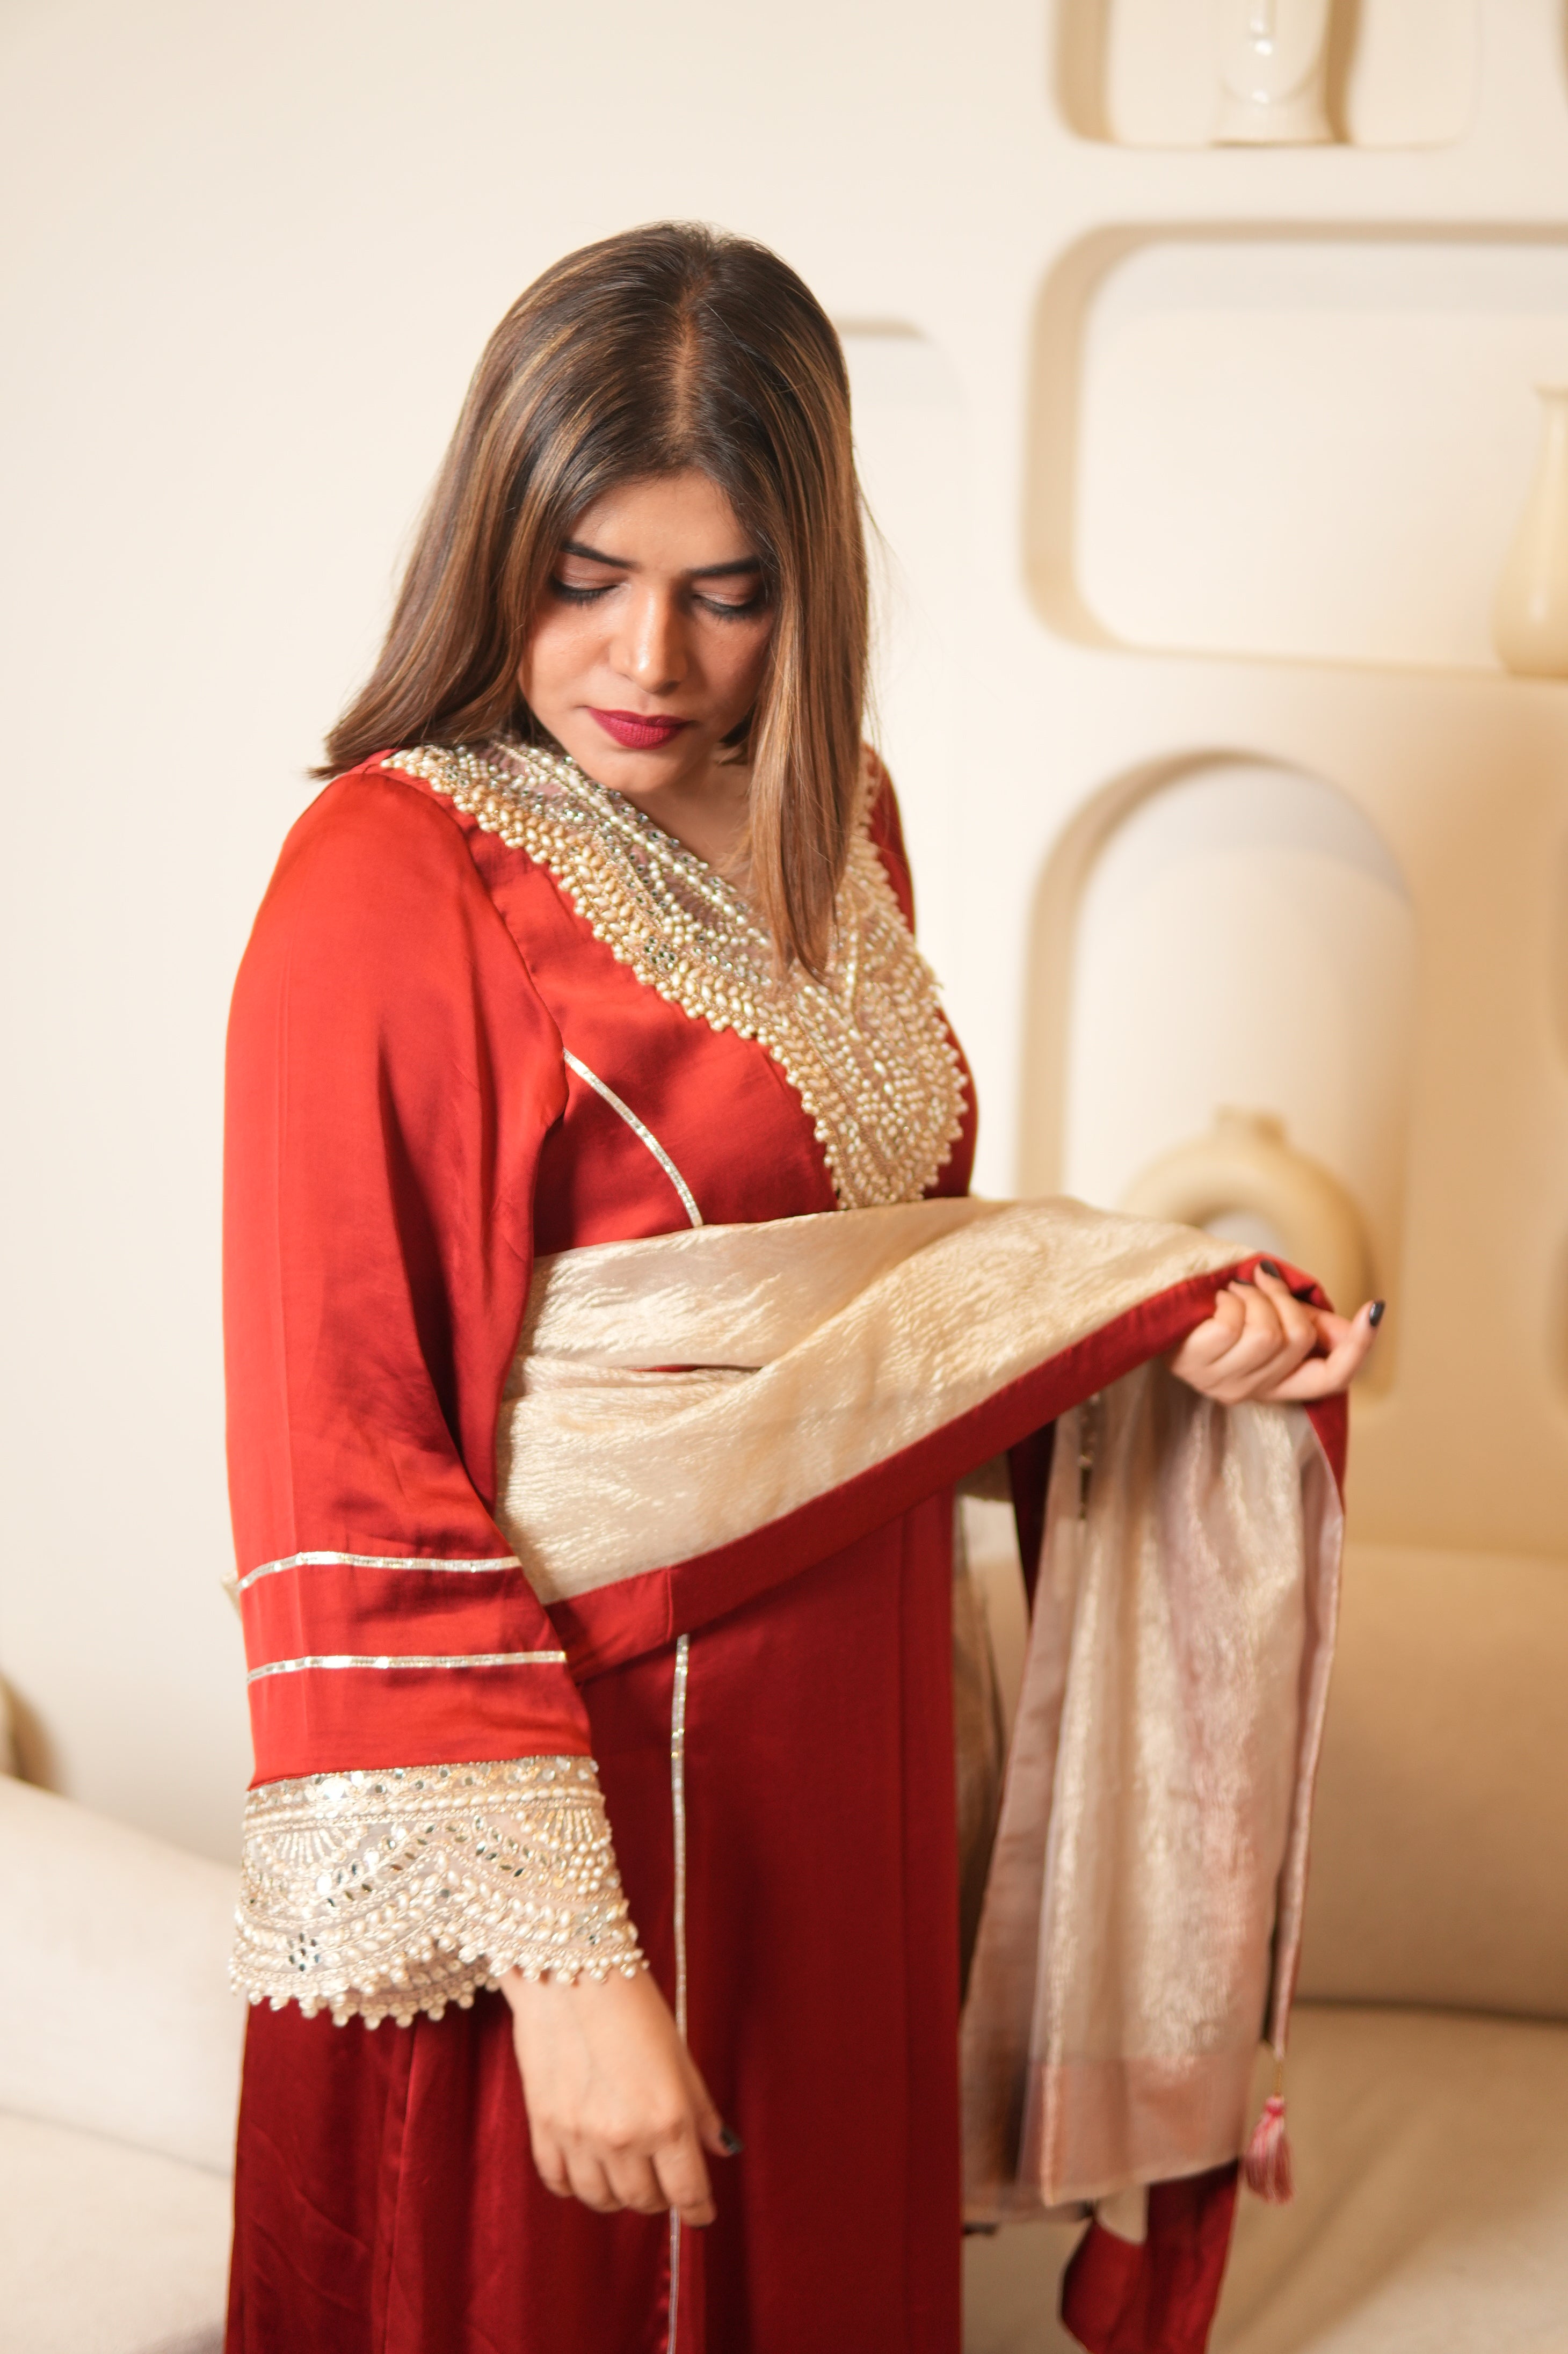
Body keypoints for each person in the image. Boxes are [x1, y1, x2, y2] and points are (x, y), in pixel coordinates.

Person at [221, 222, 1380, 2354]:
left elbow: (859, 1306)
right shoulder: (394, 875)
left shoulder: (842, 819)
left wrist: (1148, 1345)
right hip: (569, 1785)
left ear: (806, 582)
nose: (646, 653)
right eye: (584, 573)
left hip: (844, 1745)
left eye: (725, 588)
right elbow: (345, 1461)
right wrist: (570, 1979)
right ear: (494, 545)